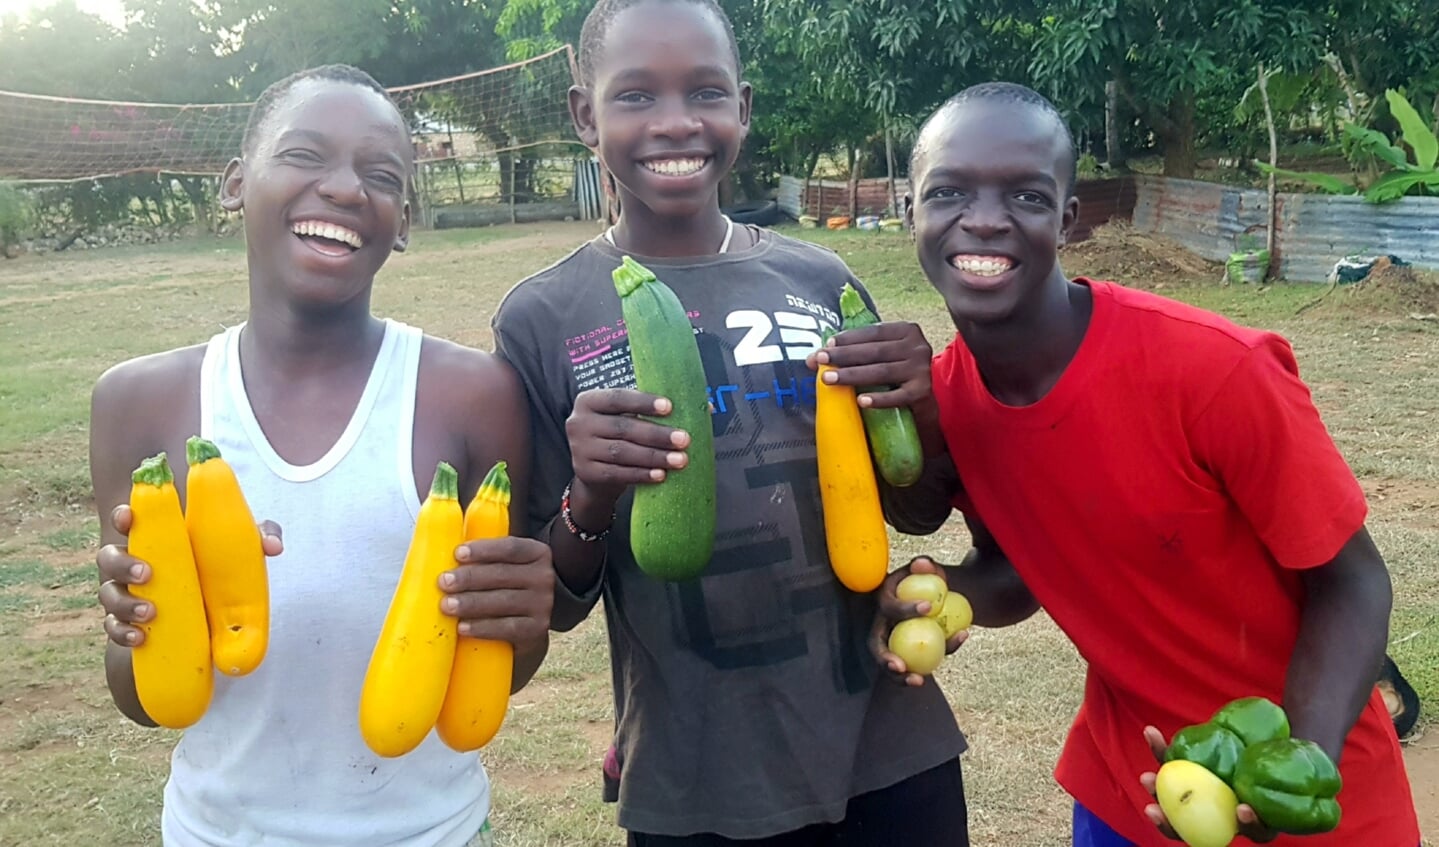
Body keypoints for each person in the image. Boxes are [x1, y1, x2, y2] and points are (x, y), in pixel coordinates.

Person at [814, 82, 1421, 846]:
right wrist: (944, 591)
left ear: (1068, 218)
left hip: (1309, 797)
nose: (984, 218)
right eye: (949, 191)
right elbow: (1019, 568)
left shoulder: (1211, 371)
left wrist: (1292, 762)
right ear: (912, 211)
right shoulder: (948, 404)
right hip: (1123, 790)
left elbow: (1354, 579)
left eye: (1026, 196)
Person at [490, 1, 969, 844]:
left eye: (705, 92)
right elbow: (556, 601)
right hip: (697, 776)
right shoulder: (541, 316)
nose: (676, 122)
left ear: (742, 109)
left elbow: (915, 508)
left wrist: (918, 407)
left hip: (889, 744)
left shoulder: (819, 279)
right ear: (583, 115)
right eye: (635, 95)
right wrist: (588, 497)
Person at [89, 64, 554, 847]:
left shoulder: (475, 395)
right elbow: (141, 698)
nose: (343, 188)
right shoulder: (139, 402)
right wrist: (132, 619)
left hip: (431, 832)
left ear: (403, 220)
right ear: (236, 182)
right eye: (304, 155)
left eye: (379, 175)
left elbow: (491, 669)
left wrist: (526, 621)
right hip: (216, 832)